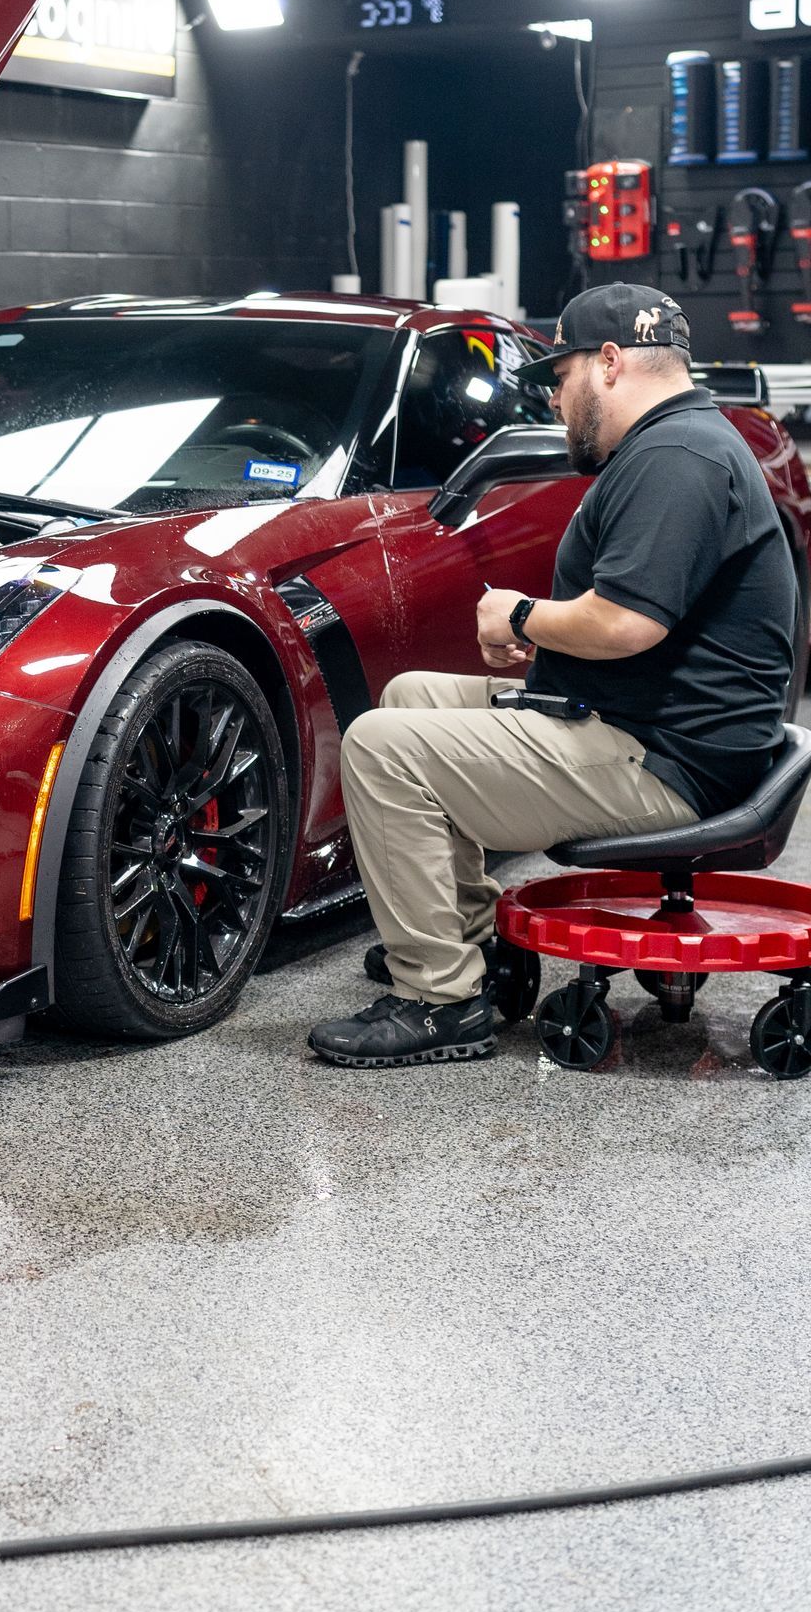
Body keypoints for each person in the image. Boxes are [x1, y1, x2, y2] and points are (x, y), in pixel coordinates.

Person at [309, 282, 798, 1068]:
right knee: (411, 698)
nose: (557, 402)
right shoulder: (683, 441)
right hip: (655, 723)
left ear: (608, 364)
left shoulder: (676, 457)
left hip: (665, 759)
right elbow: (667, 631)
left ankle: (439, 1001)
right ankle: (476, 953)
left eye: (561, 380)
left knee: (379, 745)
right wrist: (548, 648)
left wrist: (523, 618)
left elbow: (628, 623)